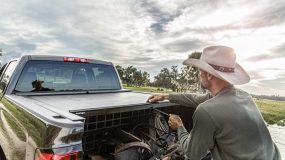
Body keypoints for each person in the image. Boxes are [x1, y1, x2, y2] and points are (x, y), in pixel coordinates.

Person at [147, 46, 281, 160]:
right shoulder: (245, 97)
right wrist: (165, 96)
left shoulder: (206, 110)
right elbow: (194, 98)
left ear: (209, 75)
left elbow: (192, 154)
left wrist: (180, 127)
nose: (198, 75)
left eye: (200, 71)